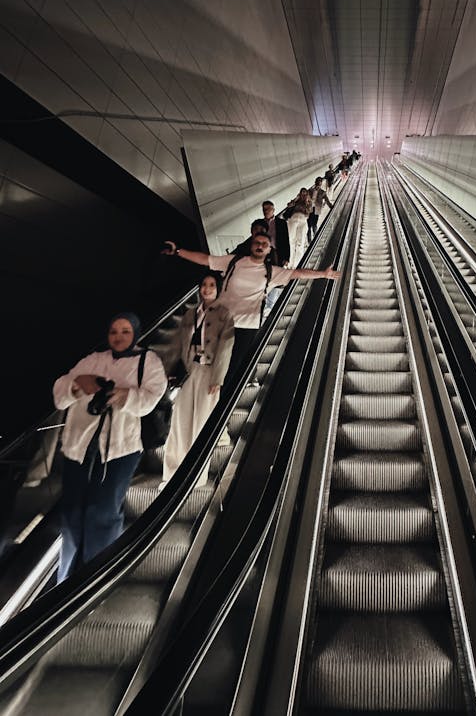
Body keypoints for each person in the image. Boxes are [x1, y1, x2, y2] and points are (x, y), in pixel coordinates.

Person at [53, 312, 167, 581]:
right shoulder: (94, 359)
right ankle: (66, 578)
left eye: (126, 331)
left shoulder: (147, 360)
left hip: (121, 448)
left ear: (136, 334)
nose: (119, 337)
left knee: (103, 510)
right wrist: (79, 385)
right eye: (114, 331)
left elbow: (152, 396)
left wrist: (121, 395)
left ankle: (96, 578)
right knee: (72, 512)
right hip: (79, 446)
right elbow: (60, 395)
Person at [162, 234, 341, 370]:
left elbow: (298, 273)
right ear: (251, 246)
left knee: (232, 369)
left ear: (269, 250)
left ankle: (219, 406)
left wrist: (323, 274)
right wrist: (178, 251)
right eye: (257, 243)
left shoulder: (272, 271)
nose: (260, 246)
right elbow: (205, 259)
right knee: (207, 363)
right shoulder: (234, 262)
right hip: (221, 321)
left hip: (247, 326)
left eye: (265, 244)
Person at [160, 274, 234, 486]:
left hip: (208, 371)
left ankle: (195, 476)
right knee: (179, 421)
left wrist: (218, 378)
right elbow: (177, 345)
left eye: (211, 285)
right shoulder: (190, 313)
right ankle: (172, 472)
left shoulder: (224, 314)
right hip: (187, 370)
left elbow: (225, 348)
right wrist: (170, 369)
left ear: (218, 289)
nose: (207, 288)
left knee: (201, 422)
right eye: (204, 285)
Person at [284, 187, 313, 266]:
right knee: (291, 241)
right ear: (300, 194)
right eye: (302, 193)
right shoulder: (296, 201)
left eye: (305, 193)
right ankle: (289, 262)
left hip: (303, 220)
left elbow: (308, 213)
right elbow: (288, 206)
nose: (303, 195)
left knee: (300, 242)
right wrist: (294, 202)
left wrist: (306, 203)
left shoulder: (309, 203)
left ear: (307, 194)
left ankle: (297, 263)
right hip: (293, 220)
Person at [261, 200, 290, 267]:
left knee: (278, 273)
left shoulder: (281, 223)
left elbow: (286, 240)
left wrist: (286, 258)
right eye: (264, 209)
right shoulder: (260, 223)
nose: (266, 211)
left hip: (277, 253)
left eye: (268, 209)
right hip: (264, 254)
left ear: (273, 210)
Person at [308, 176, 333, 243]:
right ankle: (309, 240)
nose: (319, 183)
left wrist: (331, 206)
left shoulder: (322, 192)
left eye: (320, 182)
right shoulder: (310, 190)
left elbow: (327, 200)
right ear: (315, 182)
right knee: (309, 225)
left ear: (321, 184)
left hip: (316, 209)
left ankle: (315, 238)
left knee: (314, 224)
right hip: (309, 209)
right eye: (318, 182)